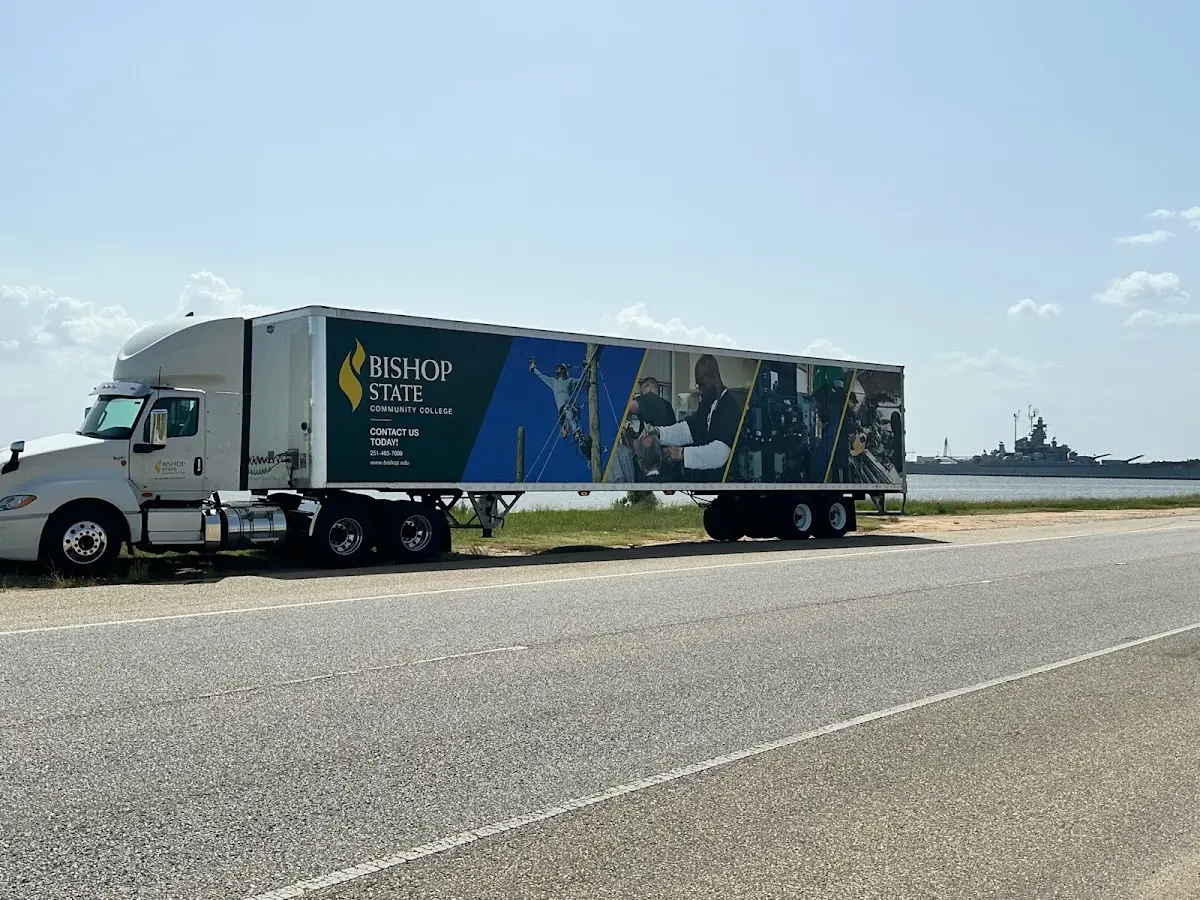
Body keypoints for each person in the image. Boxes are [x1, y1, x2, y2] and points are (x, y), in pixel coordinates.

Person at [653, 355, 743, 482]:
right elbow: (688, 430)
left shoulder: (730, 407)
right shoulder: (706, 404)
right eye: (698, 386)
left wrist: (681, 454)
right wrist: (658, 432)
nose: (700, 391)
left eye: (703, 385)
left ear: (715, 377)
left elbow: (720, 454)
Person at [529, 358, 592, 458]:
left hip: (571, 406)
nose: (558, 370)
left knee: (575, 417)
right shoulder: (553, 382)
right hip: (563, 408)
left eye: (560, 368)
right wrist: (533, 368)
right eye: (558, 369)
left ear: (564, 370)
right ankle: (577, 434)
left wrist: (585, 369)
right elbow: (542, 376)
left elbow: (581, 382)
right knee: (568, 413)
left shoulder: (570, 381)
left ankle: (582, 442)